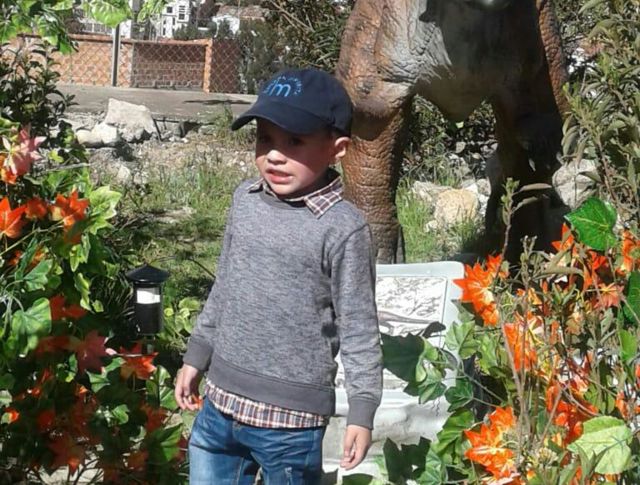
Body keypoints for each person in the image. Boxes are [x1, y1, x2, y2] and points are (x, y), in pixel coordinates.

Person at [174, 67, 383, 485]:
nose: (274, 155)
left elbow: (359, 327)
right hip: (219, 406)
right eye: (265, 138)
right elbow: (225, 284)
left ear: (337, 149)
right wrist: (197, 355)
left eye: (294, 142)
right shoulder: (245, 201)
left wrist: (362, 410)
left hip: (289, 425)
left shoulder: (342, 229)